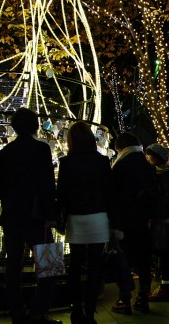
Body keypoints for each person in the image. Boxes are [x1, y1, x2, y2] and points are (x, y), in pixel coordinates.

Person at [0, 108, 61, 324]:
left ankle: (17, 311)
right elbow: (45, 184)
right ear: (35, 125)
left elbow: (3, 188)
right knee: (49, 266)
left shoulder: (5, 152)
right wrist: (50, 214)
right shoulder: (41, 149)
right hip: (37, 218)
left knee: (13, 265)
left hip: (13, 217)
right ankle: (38, 311)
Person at [57, 121, 111, 324]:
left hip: (76, 217)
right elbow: (109, 192)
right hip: (98, 217)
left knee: (76, 265)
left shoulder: (67, 163)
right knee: (95, 267)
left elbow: (61, 194)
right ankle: (90, 310)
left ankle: (75, 309)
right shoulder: (102, 162)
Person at [109, 132, 159, 315]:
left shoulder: (120, 165)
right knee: (143, 259)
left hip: (124, 222)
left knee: (123, 259)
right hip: (144, 222)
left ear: (120, 148)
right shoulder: (148, 166)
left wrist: (113, 222)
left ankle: (124, 298)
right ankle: (143, 297)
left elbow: (112, 196)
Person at [144, 143, 169, 303]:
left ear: (157, 157)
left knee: (164, 252)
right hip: (168, 218)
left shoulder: (166, 174)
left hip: (166, 220)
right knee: (163, 252)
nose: (147, 158)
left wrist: (155, 215)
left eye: (150, 154)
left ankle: (165, 288)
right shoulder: (166, 172)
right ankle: (164, 286)